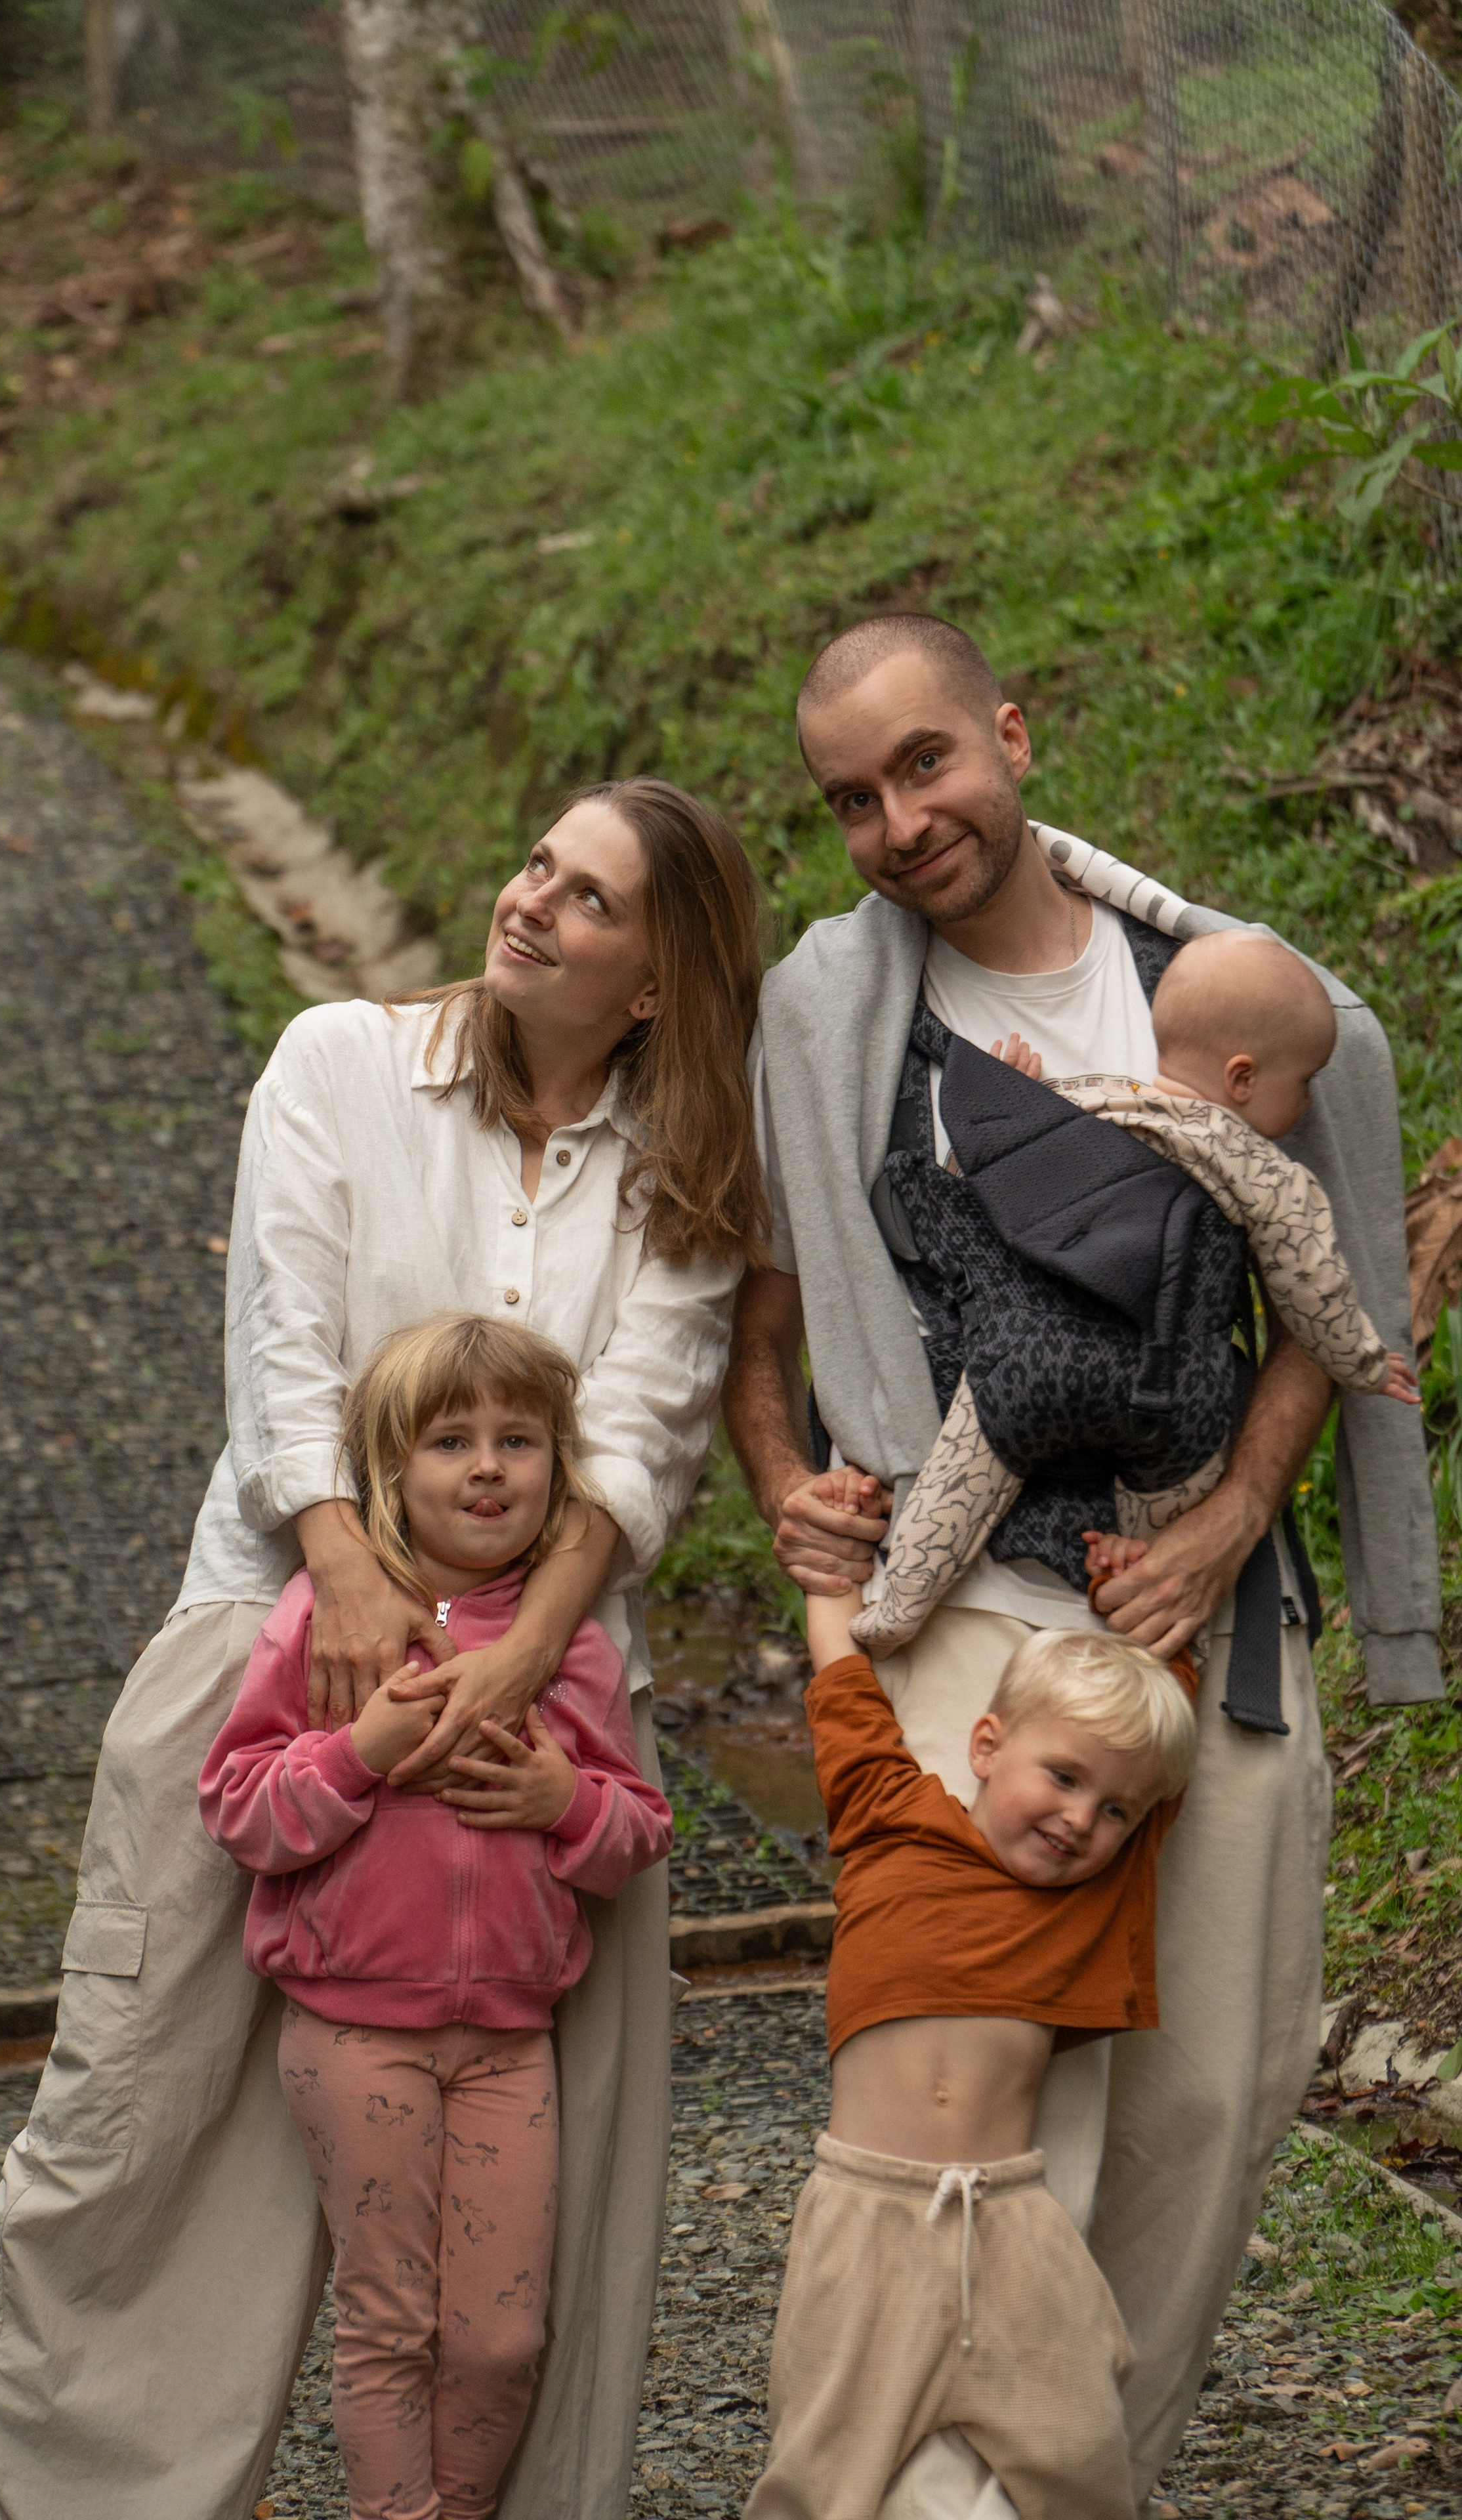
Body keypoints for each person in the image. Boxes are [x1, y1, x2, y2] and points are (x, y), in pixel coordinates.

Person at [0, 776, 769, 2520]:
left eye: (590, 898)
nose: (530, 899)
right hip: (275, 1637)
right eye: (536, 862)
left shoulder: (685, 1168)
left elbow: (643, 1433)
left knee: (532, 2228)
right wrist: (350, 1570)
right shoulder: (340, 1063)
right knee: (132, 2131)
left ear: (658, 982)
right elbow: (281, 1337)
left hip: (544, 1708)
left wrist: (524, 1655)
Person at [724, 612, 1442, 2515]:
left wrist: (1227, 1521)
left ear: (1012, 737)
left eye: (926, 763)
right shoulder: (831, 1025)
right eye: (852, 800)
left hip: (1211, 1608)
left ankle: (1083, 2480)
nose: (898, 823)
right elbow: (765, 1316)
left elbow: (1323, 1298)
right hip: (976, 1608)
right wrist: (789, 1478)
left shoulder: (1218, 995)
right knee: (992, 2095)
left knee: (1211, 2095)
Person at [199, 1313, 673, 2520]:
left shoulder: (566, 1652)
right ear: (390, 1470)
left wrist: (566, 1803)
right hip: (356, 2035)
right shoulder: (325, 1622)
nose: (488, 1468)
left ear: (558, 1468)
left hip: (510, 2042)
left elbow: (638, 1832)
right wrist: (357, 1753)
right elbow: (240, 1809)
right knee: (389, 2320)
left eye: (520, 1440)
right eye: (451, 1441)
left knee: (503, 2337)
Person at [746, 1585, 1198, 2520]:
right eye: (1062, 1778)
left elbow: (1159, 1767)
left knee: (1080, 2453)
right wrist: (829, 1584)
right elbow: (843, 1685)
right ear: (986, 1746)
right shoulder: (891, 1817)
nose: (1081, 1820)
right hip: (867, 2216)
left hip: (1014, 2223)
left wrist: (1155, 1584)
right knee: (824, 2474)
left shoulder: (1093, 1896)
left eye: (1113, 1812)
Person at [854, 929, 1421, 1660]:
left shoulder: (1091, 1098)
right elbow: (1312, 1287)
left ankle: (896, 1608)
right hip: (1168, 1390)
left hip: (1032, 1359)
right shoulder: (1270, 1172)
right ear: (1242, 1078)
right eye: (1305, 1081)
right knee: (1171, 1528)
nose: (1310, 1102)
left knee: (960, 1481)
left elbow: (982, 1184)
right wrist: (1365, 1363)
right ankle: (1140, 1593)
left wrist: (1015, 1094)